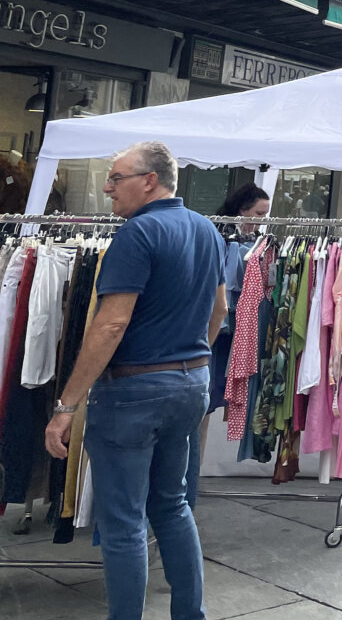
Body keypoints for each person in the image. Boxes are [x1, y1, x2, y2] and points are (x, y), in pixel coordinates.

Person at [44, 142, 226, 620]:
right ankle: (191, 614)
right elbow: (220, 309)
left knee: (124, 522)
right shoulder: (207, 230)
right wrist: (188, 358)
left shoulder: (138, 234)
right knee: (172, 506)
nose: (107, 187)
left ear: (149, 180)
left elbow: (110, 325)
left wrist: (66, 405)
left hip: (133, 392)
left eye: (116, 177)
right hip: (190, 383)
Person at [207, 183, 269, 414]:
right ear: (242, 210)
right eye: (259, 214)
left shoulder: (259, 240)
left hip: (238, 325)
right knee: (208, 386)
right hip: (216, 319)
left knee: (222, 385)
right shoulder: (220, 237)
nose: (262, 220)